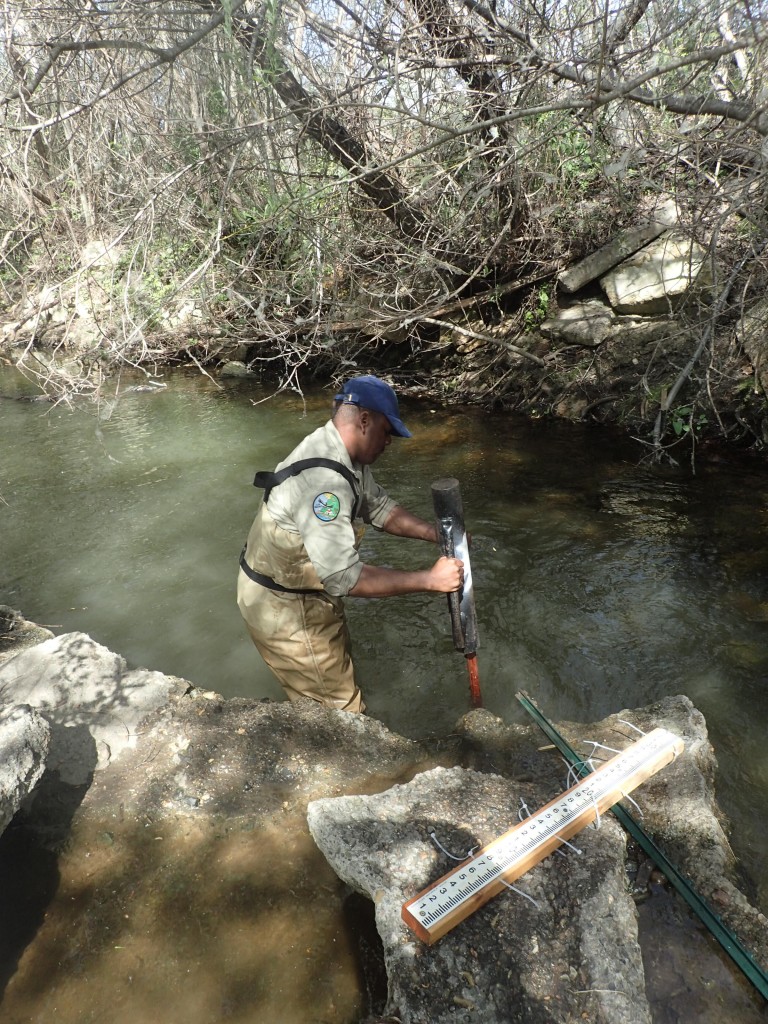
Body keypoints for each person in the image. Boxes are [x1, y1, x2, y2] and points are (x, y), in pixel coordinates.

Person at [237, 374, 464, 713]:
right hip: (287, 611)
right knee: (342, 716)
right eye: (387, 432)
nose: (389, 442)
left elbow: (379, 508)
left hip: (307, 593)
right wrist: (429, 580)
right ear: (364, 420)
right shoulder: (324, 482)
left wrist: (435, 533)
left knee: (335, 683)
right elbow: (344, 576)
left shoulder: (343, 454)